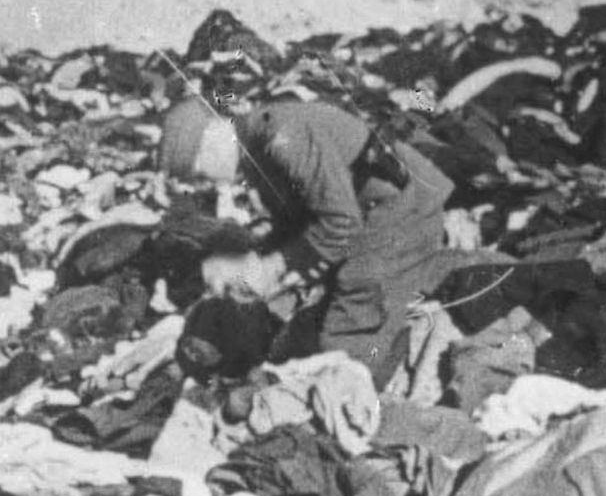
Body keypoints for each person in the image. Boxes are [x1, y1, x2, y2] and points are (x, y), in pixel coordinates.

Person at [158, 93, 453, 387]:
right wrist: (253, 266)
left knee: (346, 331)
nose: (206, 184)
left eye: (199, 173)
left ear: (211, 137)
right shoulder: (255, 148)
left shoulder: (281, 137)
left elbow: (339, 222)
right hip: (370, 211)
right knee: (306, 332)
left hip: (404, 210)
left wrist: (273, 266)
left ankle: (357, 398)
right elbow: (298, 218)